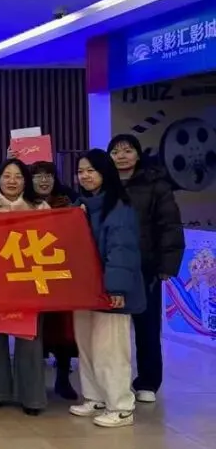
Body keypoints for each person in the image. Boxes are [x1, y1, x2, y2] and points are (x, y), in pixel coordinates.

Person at [70, 149, 145, 428]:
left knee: (110, 350)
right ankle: (95, 398)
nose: (85, 176)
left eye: (91, 170)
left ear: (105, 173)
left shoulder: (119, 208)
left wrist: (117, 290)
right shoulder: (81, 207)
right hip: (84, 291)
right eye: (81, 171)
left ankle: (121, 406)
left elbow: (121, 251)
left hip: (111, 292)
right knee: (87, 347)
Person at [108, 133, 184, 404]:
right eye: (115, 152)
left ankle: (148, 381)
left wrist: (167, 265)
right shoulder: (105, 184)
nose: (121, 156)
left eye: (127, 151)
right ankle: (114, 381)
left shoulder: (156, 185)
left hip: (146, 267)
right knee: (111, 331)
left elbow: (170, 227)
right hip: (112, 269)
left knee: (147, 327)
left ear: (138, 155)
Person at [0, 159, 50, 415]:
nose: (12, 181)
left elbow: (51, 240)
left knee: (29, 341)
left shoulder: (39, 207)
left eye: (18, 176)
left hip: (28, 280)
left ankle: (32, 398)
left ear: (25, 180)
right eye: (7, 175)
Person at [31, 160, 80, 401]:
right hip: (30, 275)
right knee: (34, 329)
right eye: (38, 176)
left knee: (62, 329)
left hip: (60, 274)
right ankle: (32, 384)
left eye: (48, 175)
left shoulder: (68, 203)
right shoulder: (24, 205)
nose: (44, 180)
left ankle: (63, 377)